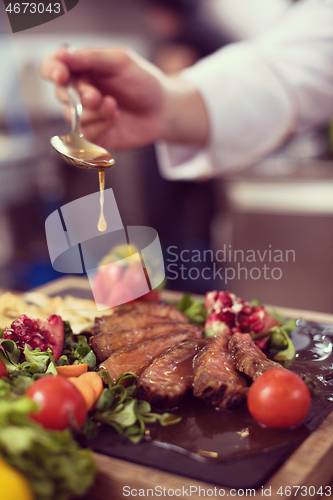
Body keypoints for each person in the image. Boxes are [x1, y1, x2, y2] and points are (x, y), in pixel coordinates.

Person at [41, 0, 333, 181]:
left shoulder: (183, 40)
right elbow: (298, 67)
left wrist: (168, 100)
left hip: (208, 162)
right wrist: (166, 106)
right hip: (197, 142)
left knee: (183, 240)